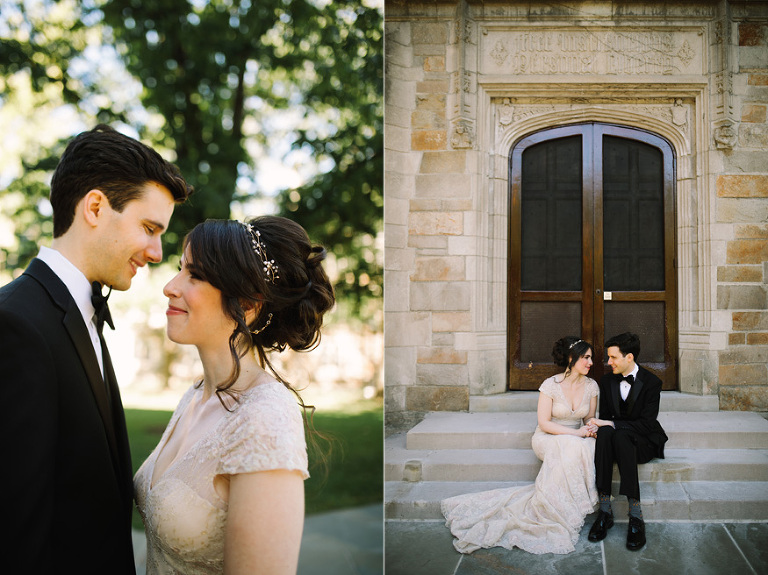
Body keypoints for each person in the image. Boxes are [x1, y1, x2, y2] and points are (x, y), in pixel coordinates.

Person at [0, 124, 192, 573]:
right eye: (149, 227)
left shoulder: (72, 310)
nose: (157, 252)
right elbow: (15, 537)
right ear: (95, 207)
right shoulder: (16, 325)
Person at [133, 216, 335, 574]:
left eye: (194, 275)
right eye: (180, 269)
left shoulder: (265, 419)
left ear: (247, 303)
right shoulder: (194, 395)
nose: (170, 286)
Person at [441, 336, 599, 555]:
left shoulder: (592, 387)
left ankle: (563, 507)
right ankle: (553, 511)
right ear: (572, 358)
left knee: (585, 446)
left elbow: (588, 418)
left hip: (573, 438)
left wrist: (593, 427)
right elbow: (544, 423)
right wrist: (575, 433)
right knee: (571, 445)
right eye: (586, 357)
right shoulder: (550, 386)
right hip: (548, 437)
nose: (591, 362)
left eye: (591, 358)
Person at [587, 332, 668, 551]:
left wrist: (613, 425)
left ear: (629, 357)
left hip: (641, 442)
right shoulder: (606, 380)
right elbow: (606, 417)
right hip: (615, 442)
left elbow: (647, 424)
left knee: (618, 433)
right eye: (608, 357)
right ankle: (605, 510)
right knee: (604, 434)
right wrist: (598, 426)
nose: (608, 362)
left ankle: (635, 514)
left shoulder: (652, 382)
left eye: (613, 357)